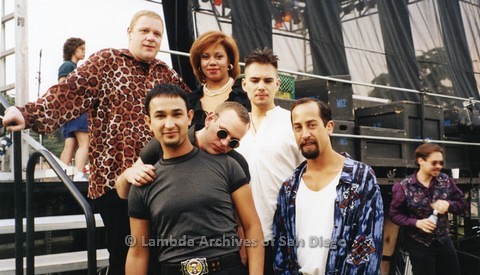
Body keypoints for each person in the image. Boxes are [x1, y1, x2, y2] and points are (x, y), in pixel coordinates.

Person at [2, 10, 190, 275]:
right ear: (130, 33)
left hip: (159, 183)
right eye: (144, 31)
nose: (150, 38)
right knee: (124, 253)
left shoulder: (166, 74)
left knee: (160, 256)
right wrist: (27, 113)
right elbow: (69, 93)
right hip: (115, 184)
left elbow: (193, 111)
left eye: (157, 33)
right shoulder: (107, 61)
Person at [126, 83, 264, 274]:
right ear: (149, 122)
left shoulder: (231, 164)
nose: (169, 123)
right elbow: (137, 251)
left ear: (189, 116)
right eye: (160, 116)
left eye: (177, 114)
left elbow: (251, 226)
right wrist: (127, 174)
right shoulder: (143, 179)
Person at [272, 98, 384, 274]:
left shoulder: (360, 178)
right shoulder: (289, 187)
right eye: (298, 127)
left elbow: (368, 245)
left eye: (312, 125)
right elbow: (282, 248)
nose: (305, 134)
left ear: (329, 126)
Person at [236, 47, 304, 274]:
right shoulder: (234, 128)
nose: (261, 86)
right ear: (244, 84)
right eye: (254, 80)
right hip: (245, 236)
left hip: (287, 235)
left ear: (277, 84)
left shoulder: (293, 123)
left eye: (268, 80)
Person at [116, 100, 251, 198]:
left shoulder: (236, 163)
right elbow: (123, 193)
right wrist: (129, 174)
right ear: (209, 119)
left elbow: (242, 221)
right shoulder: (169, 141)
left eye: (233, 142)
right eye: (222, 133)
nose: (224, 143)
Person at [390, 143, 467, 275]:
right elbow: (394, 214)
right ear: (421, 161)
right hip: (419, 244)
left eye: (441, 163)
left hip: (443, 241)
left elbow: (462, 204)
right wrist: (416, 223)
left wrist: (449, 205)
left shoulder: (446, 180)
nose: (439, 166)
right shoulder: (403, 186)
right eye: (434, 162)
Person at [188, 30, 250, 129]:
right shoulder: (190, 101)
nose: (212, 62)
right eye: (205, 57)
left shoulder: (246, 97)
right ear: (199, 63)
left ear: (229, 60)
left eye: (219, 57)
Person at [57, 37, 89, 181]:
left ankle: (62, 175)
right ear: (73, 49)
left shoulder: (70, 67)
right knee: (84, 143)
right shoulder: (69, 66)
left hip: (69, 111)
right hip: (77, 110)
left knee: (70, 144)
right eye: (81, 49)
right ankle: (79, 174)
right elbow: (62, 88)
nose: (84, 51)